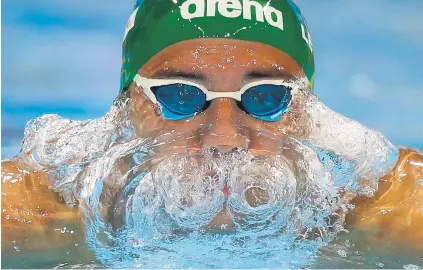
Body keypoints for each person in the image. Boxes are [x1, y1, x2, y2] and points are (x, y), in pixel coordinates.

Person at [2, 0, 422, 265]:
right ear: (126, 106)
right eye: (180, 95)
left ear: (307, 114)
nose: (224, 136)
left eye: (265, 97)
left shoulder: (388, 212)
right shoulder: (36, 218)